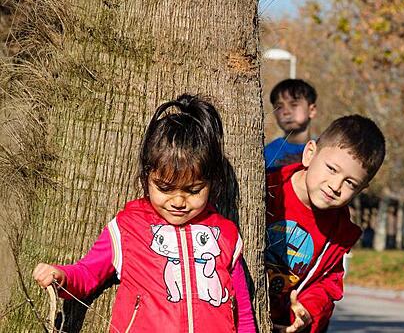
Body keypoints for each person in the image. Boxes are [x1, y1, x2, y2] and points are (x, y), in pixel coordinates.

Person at [33, 95, 255, 333]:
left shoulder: (225, 234)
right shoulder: (127, 227)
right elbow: (87, 274)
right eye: (165, 188)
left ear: (212, 183)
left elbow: (242, 311)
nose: (178, 201)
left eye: (193, 190)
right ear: (146, 177)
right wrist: (61, 277)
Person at [265, 115, 385, 333]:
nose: (335, 185)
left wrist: (308, 311)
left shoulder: (339, 232)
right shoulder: (268, 188)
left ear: (361, 189)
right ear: (310, 153)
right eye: (331, 169)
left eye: (350, 182)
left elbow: (328, 285)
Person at [264, 79, 317, 170]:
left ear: (311, 110)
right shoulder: (267, 153)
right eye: (279, 107)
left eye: (294, 104)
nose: (286, 112)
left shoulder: (321, 150)